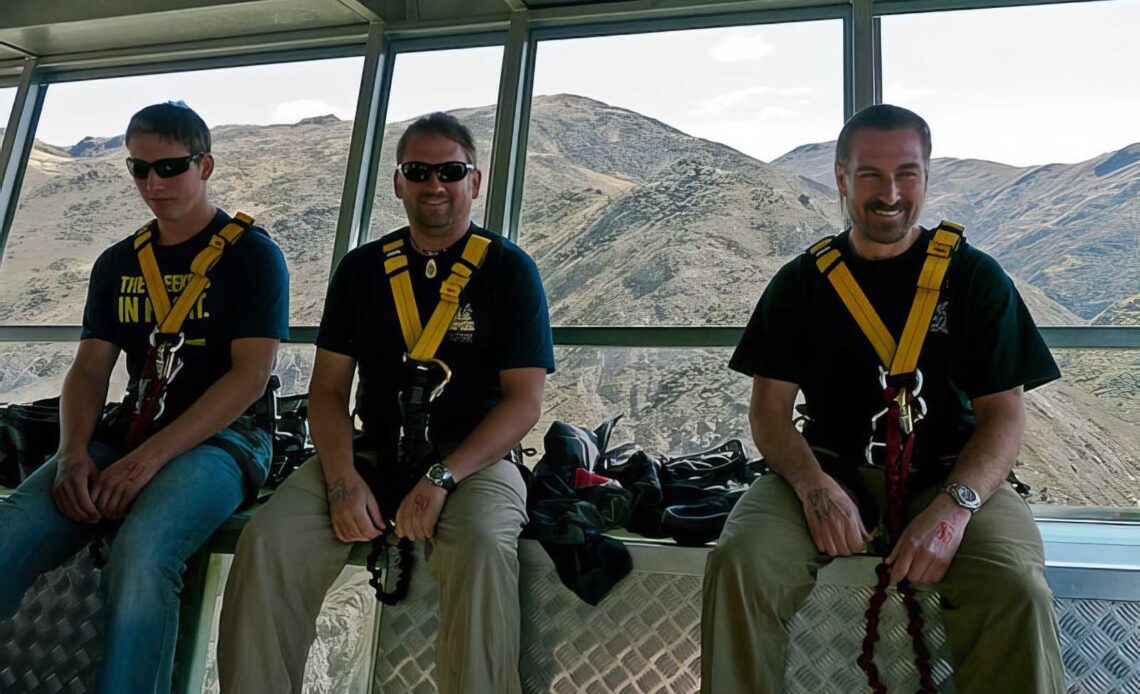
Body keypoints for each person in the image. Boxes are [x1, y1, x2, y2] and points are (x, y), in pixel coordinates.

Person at [700, 104, 1065, 693]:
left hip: (953, 471)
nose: (889, 193)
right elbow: (769, 415)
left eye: (907, 173)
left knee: (1015, 586)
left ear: (926, 176)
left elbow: (1003, 417)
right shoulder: (801, 284)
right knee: (740, 564)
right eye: (870, 174)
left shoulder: (975, 279)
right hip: (829, 467)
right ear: (842, 179)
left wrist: (955, 508)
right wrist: (814, 487)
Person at [217, 111, 555, 694]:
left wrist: (444, 477)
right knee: (269, 543)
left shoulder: (508, 271)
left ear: (474, 182)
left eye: (451, 170)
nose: (435, 184)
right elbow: (327, 391)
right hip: (369, 455)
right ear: (398, 182)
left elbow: (524, 403)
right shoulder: (363, 271)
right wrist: (343, 479)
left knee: (481, 548)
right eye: (418, 170)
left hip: (472, 462)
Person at [0, 101, 289, 693]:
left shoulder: (253, 257)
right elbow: (89, 369)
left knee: (144, 552)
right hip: (127, 428)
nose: (153, 183)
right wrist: (75, 452)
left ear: (204, 165)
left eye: (170, 167)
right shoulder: (119, 263)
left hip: (225, 437)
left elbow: (249, 377)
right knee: (13, 529)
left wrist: (145, 461)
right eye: (139, 169)